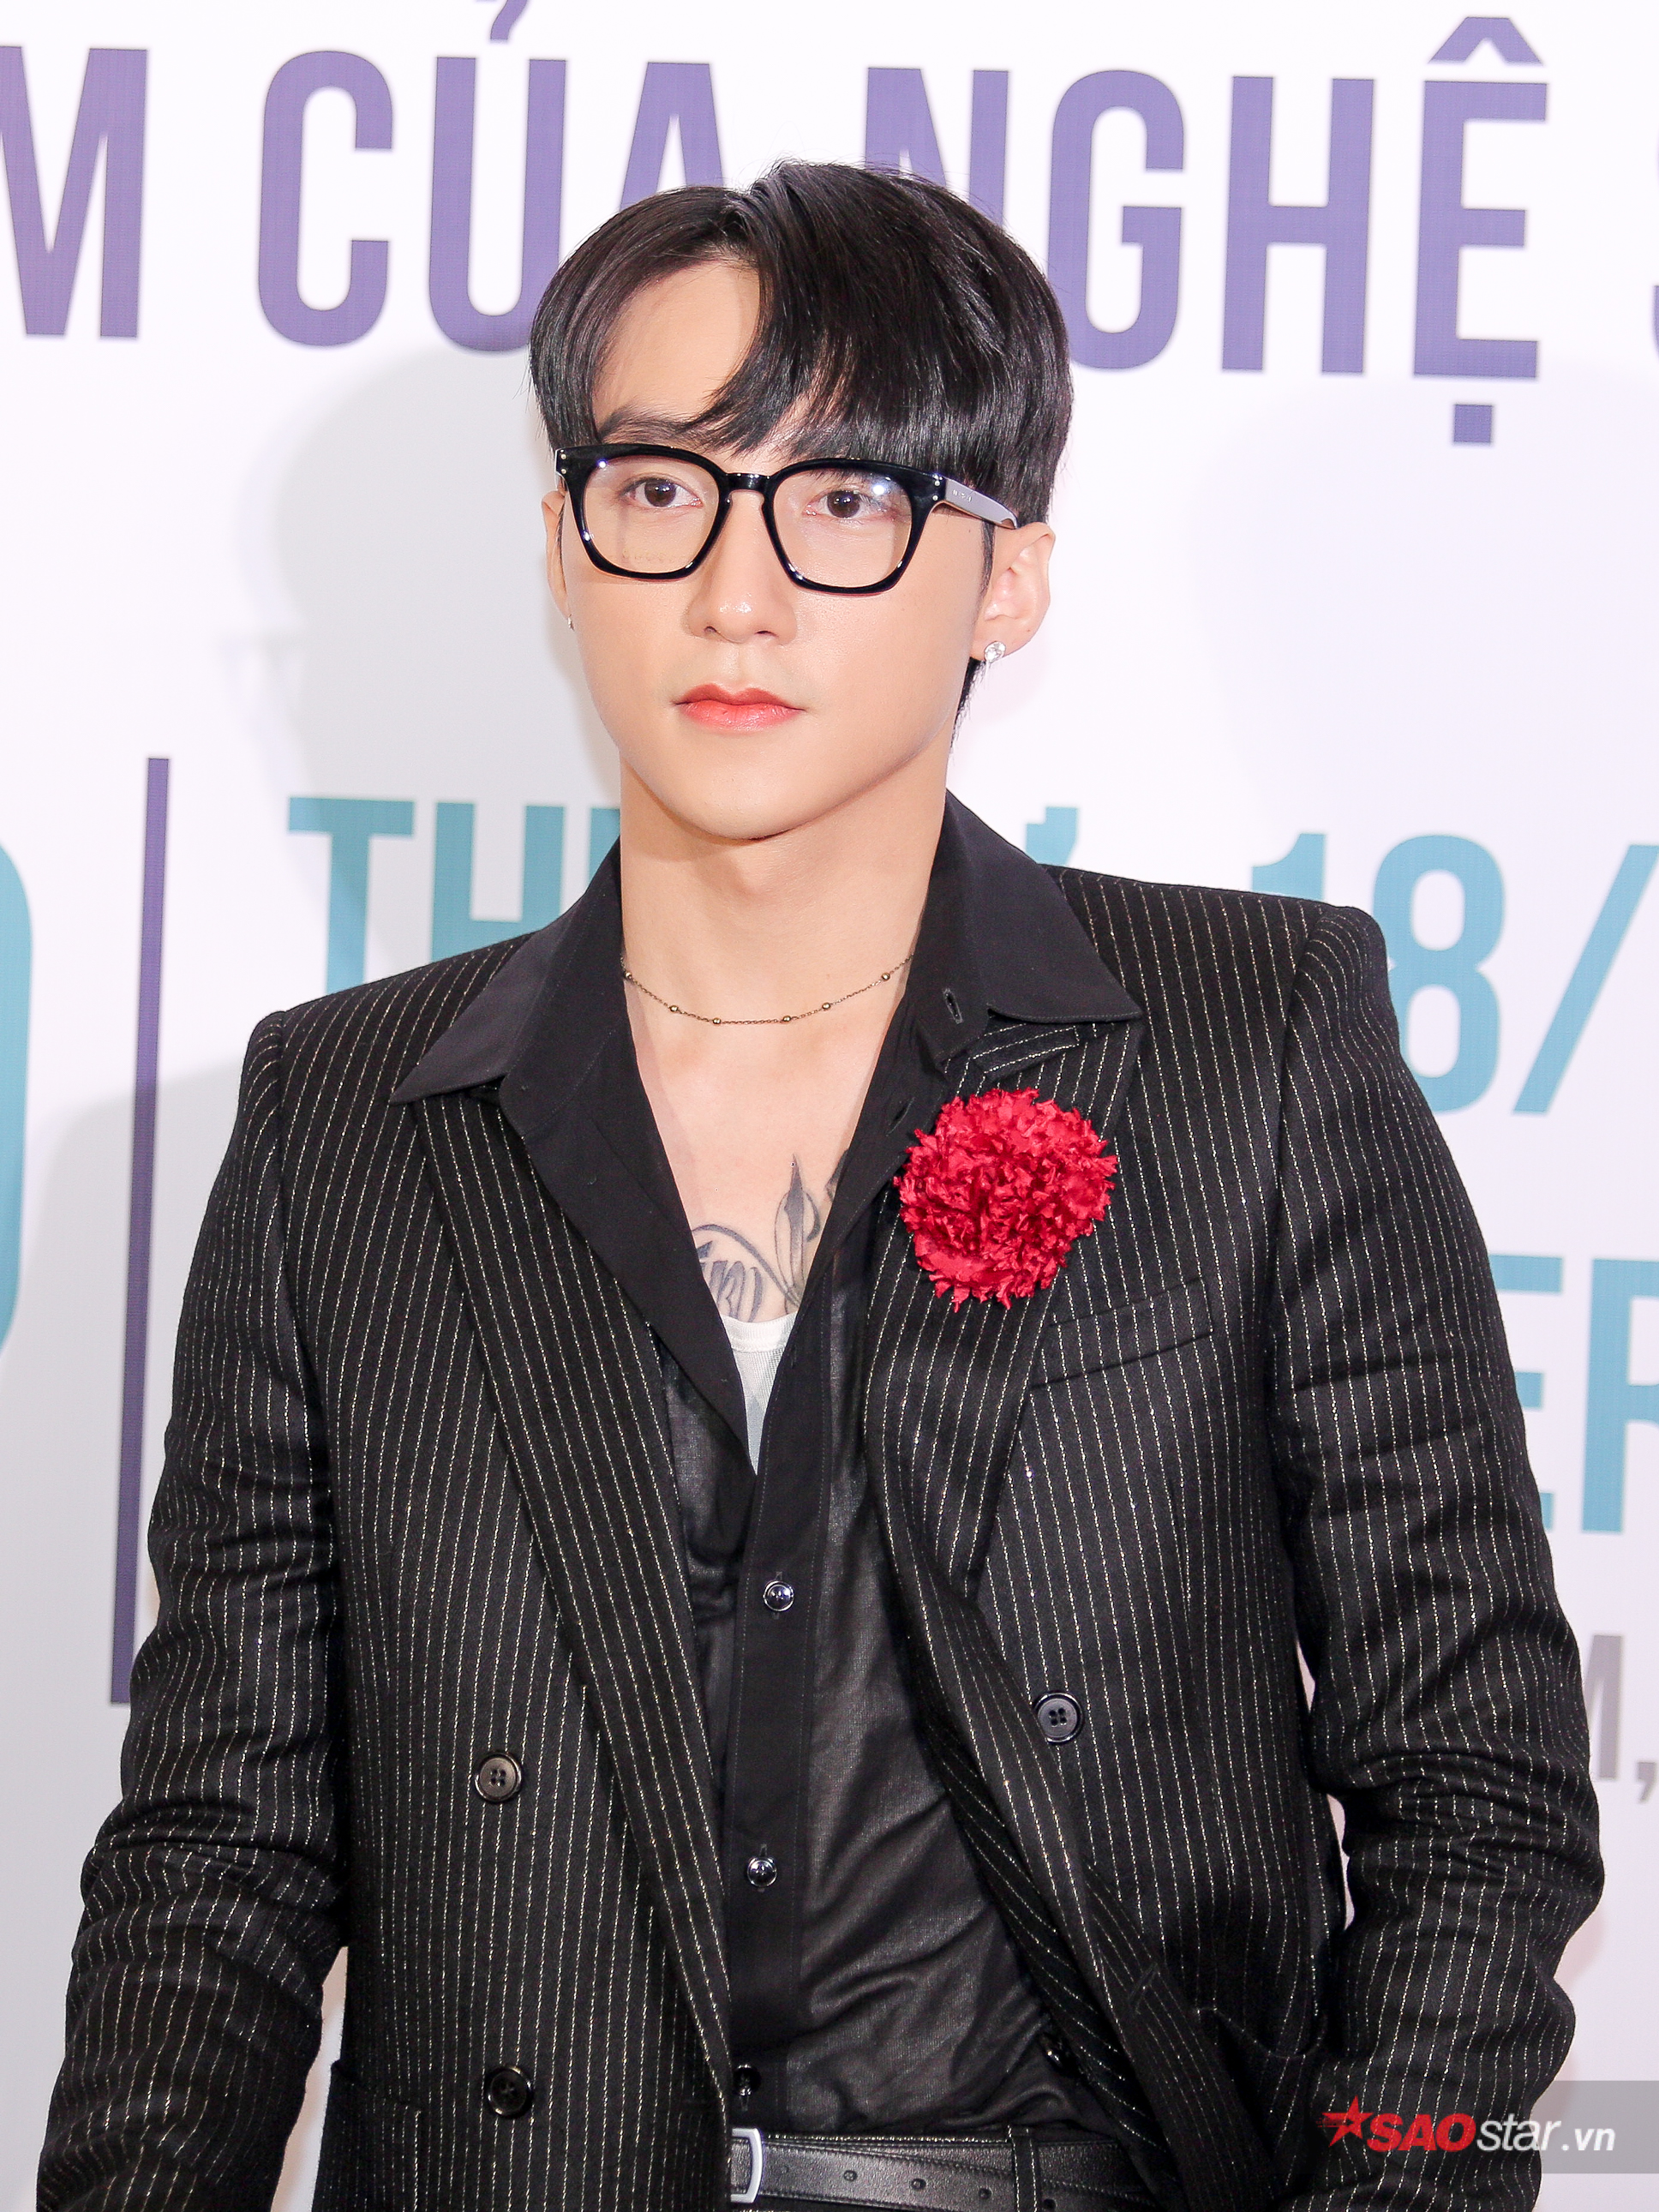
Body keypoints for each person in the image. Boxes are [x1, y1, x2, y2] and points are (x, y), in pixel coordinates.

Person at [40, 164, 1598, 2212]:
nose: (735, 592)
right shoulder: (346, 1116)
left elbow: (1474, 1784)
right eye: (661, 487)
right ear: (563, 546)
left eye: (845, 498)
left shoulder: (1249, 1043)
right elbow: (219, 1858)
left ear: (1006, 575)